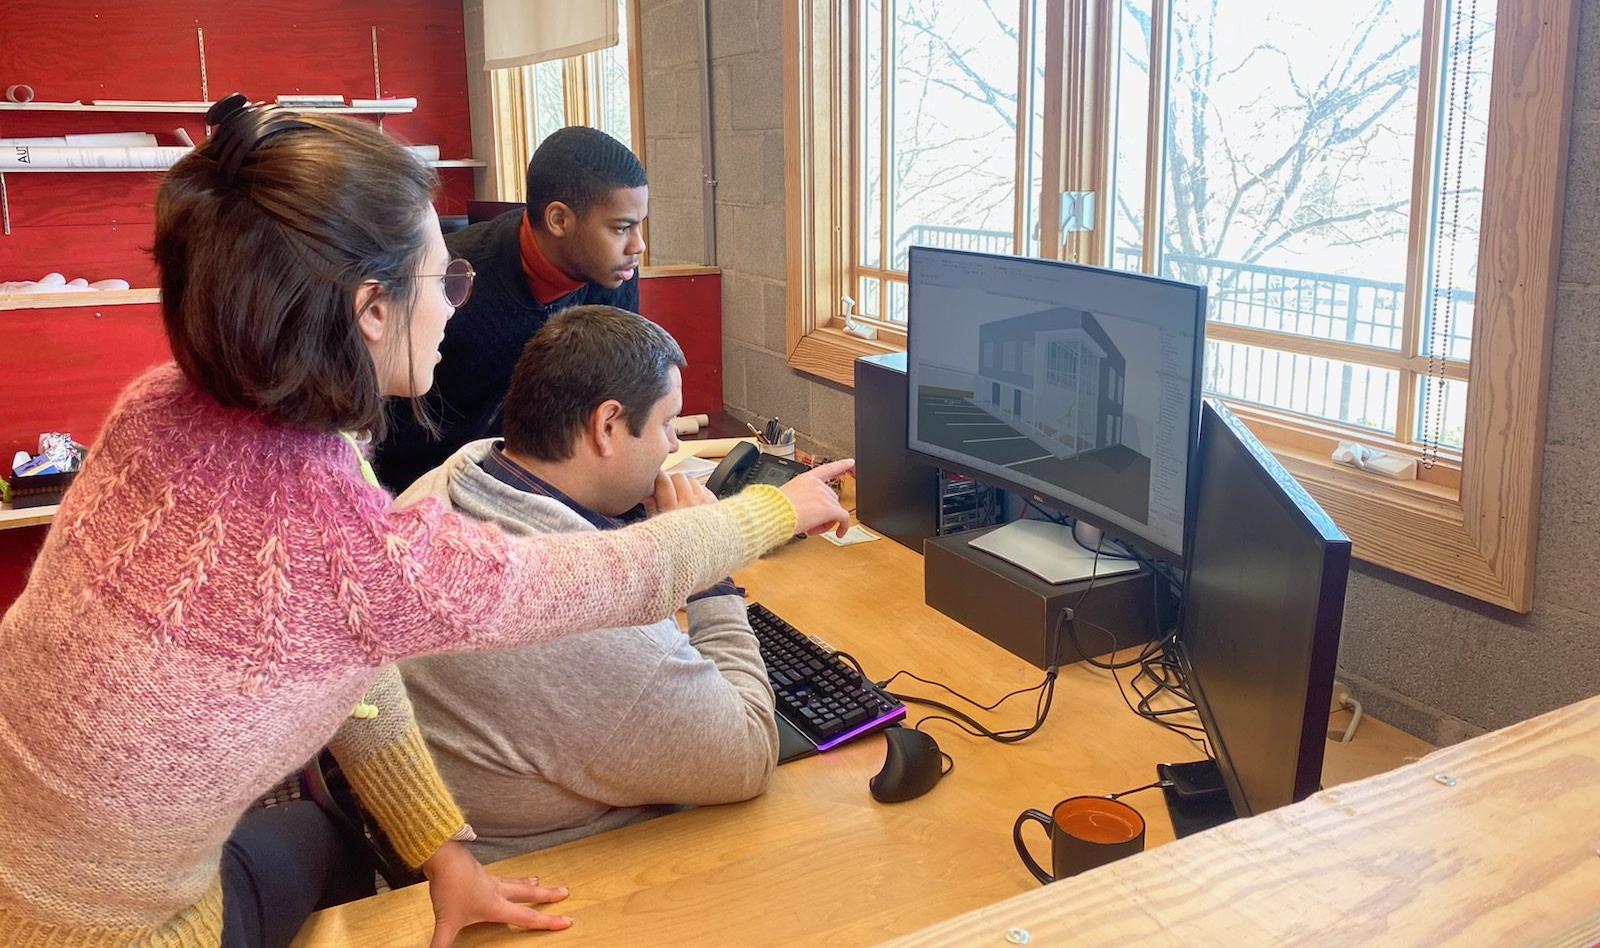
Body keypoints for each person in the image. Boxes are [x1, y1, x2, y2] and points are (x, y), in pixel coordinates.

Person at [0, 95, 851, 948]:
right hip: (99, 934)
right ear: (372, 308)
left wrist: (440, 848)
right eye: (445, 281)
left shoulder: (166, 408)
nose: (454, 306)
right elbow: (600, 579)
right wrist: (773, 509)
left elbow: (349, 658)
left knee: (320, 842)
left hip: (68, 852)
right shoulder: (339, 546)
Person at [399, 306, 779, 860]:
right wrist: (708, 573)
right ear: (607, 427)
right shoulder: (589, 622)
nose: (673, 446)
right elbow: (749, 755)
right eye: (667, 424)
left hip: (464, 827)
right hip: (562, 874)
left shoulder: (448, 482)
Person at [373, 125, 649, 492]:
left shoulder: (614, 273)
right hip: (417, 488)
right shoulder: (455, 279)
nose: (638, 245)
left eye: (639, 226)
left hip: (528, 484)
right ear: (559, 220)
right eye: (621, 228)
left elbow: (617, 389)